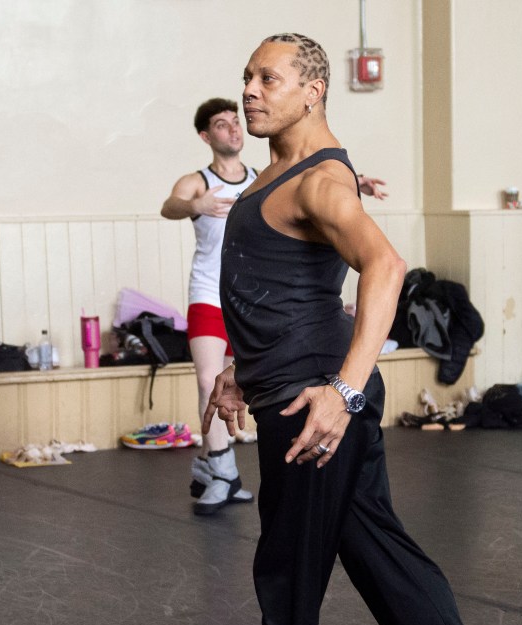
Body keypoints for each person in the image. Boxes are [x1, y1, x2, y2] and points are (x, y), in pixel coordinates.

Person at [204, 33, 522, 625]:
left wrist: (342, 393)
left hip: (313, 410)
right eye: (246, 76)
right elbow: (285, 289)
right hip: (290, 389)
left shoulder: (315, 182)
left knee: (288, 579)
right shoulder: (285, 172)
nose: (249, 90)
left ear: (312, 90)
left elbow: (384, 268)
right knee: (388, 566)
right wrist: (240, 368)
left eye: (267, 78)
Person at [161, 98, 387, 515]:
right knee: (210, 379)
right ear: (205, 136)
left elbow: (321, 192)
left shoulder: (262, 179)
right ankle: (223, 470)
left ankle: (221, 464)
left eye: (234, 122)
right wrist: (195, 206)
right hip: (210, 297)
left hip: (264, 311)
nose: (233, 128)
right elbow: (170, 205)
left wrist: (354, 184)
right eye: (222, 124)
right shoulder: (199, 181)